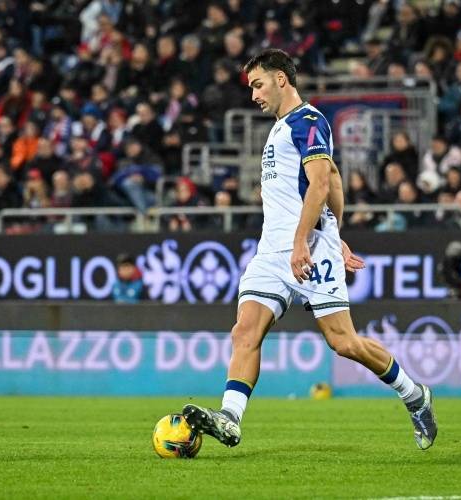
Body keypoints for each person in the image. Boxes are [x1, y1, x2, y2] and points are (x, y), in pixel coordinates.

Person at [181, 49, 437, 451]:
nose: (253, 95)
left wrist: (315, 239)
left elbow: (321, 182)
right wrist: (336, 230)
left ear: (281, 79)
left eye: (258, 85)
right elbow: (333, 180)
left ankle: (414, 395)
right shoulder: (279, 128)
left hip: (308, 248)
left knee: (343, 342)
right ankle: (230, 417)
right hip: (272, 250)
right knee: (244, 330)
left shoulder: (309, 121)